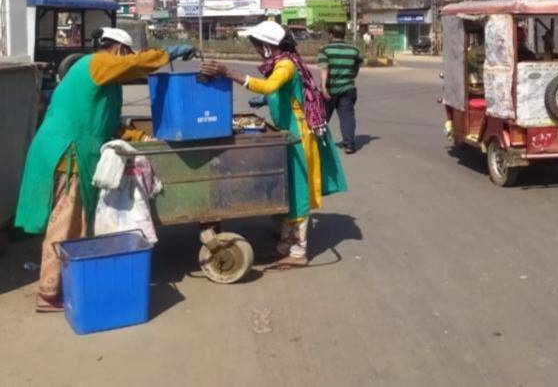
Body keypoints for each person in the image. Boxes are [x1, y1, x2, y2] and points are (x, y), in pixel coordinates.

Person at [15, 28, 194, 311]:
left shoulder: (107, 82)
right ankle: (48, 293)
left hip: (73, 153)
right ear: (119, 50)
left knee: (77, 223)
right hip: (67, 153)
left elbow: (111, 125)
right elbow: (134, 66)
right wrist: (165, 54)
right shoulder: (96, 63)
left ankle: (69, 280)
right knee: (66, 223)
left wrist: (142, 138)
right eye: (127, 55)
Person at [200, 21, 347, 269]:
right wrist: (267, 100)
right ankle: (285, 244)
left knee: (298, 191)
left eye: (258, 46)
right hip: (288, 133)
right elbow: (281, 92)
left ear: (268, 46)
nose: (257, 50)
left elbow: (270, 85)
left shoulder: (286, 65)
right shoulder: (285, 62)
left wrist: (229, 73)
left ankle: (298, 252)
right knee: (288, 188)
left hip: (299, 136)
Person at [318, 24, 363, 154]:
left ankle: (316, 143)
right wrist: (350, 76)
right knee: (347, 116)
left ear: (332, 35)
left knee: (322, 117)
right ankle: (349, 145)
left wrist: (324, 87)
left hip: (331, 89)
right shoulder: (354, 50)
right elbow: (356, 68)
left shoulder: (325, 50)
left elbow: (324, 69)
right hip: (348, 88)